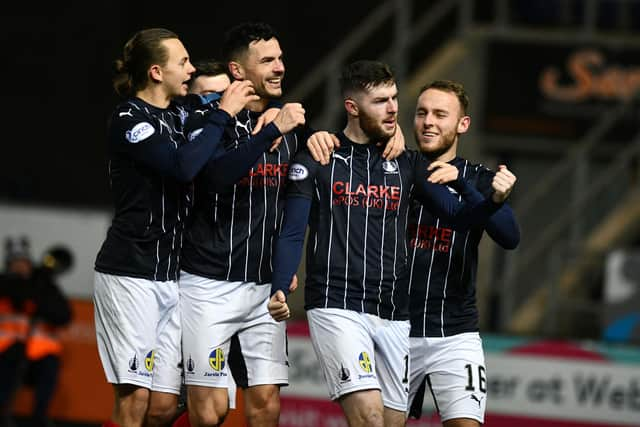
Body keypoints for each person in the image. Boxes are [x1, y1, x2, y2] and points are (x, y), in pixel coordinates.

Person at [267, 60, 507, 427]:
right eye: (381, 101)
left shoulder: (407, 163)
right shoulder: (319, 158)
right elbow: (293, 229)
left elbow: (459, 219)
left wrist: (489, 200)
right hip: (337, 303)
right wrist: (280, 285)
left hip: (393, 316)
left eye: (394, 98)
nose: (394, 108)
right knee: (370, 418)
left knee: (389, 423)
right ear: (352, 107)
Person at [93, 27, 286, 427]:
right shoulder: (131, 119)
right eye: (182, 62)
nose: (192, 68)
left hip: (170, 277)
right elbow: (184, 167)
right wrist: (224, 114)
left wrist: (264, 111)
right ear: (156, 72)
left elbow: (215, 121)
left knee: (163, 406)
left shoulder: (181, 113)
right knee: (133, 399)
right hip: (131, 271)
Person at [406, 80, 519, 427]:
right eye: (422, 112)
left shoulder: (480, 179)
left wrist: (467, 188)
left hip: (455, 333)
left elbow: (510, 236)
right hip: (392, 328)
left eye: (441, 114)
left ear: (462, 124)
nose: (429, 122)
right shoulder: (396, 166)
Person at [0, 237, 72, 427]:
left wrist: (40, 288)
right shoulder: (6, 284)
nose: (20, 267)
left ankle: (39, 418)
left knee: (49, 367)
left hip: (38, 354)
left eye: (23, 262)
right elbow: (15, 292)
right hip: (6, 352)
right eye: (15, 263)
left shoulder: (42, 285)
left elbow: (63, 315)